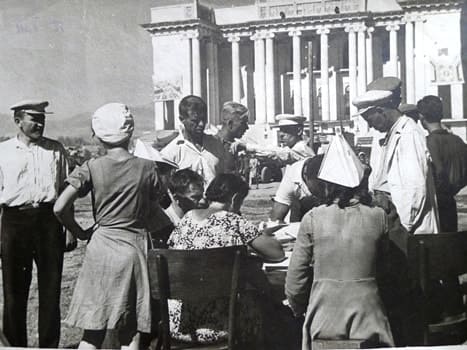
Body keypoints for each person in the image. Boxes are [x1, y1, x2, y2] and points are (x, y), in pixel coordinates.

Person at [54, 103, 159, 349]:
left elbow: (59, 207)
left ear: (98, 135)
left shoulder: (91, 167)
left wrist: (80, 232)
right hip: (132, 249)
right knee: (131, 329)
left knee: (93, 329)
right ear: (130, 132)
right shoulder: (147, 168)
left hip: (100, 249)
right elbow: (158, 208)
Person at [285, 134, 394, 349]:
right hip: (369, 315)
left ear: (326, 185)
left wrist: (299, 308)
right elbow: (386, 270)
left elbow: (295, 280)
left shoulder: (313, 218)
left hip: (323, 316)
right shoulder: (378, 216)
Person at [167, 173, 284, 346]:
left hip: (180, 323)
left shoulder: (187, 219)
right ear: (236, 198)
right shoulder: (234, 220)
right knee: (265, 304)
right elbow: (277, 253)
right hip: (221, 324)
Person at [0, 100, 71, 347]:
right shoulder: (3, 152)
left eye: (42, 119)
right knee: (13, 292)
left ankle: (49, 346)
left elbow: (65, 190)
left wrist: (69, 227)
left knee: (51, 291)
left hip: (48, 221)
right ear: (18, 121)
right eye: (34, 118)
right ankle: (14, 345)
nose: (40, 123)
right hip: (14, 221)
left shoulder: (56, 150)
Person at [352, 77, 439, 236]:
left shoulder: (409, 134)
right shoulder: (387, 134)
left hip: (406, 227)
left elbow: (415, 189)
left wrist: (401, 228)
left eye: (370, 120)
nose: (370, 126)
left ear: (381, 111)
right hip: (391, 221)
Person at [417, 95, 467, 232]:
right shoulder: (458, 141)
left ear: (421, 117)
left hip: (432, 207)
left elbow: (435, 173)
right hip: (450, 204)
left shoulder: (426, 143)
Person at [161, 95, 225, 185]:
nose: (201, 124)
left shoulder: (217, 145)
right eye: (195, 121)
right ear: (182, 119)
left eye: (204, 119)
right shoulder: (170, 153)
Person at [269, 155, 324, 223]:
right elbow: (275, 219)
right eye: (319, 188)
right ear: (305, 176)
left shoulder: (335, 169)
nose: (322, 191)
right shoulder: (291, 176)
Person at [215, 101, 250, 175]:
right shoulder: (214, 146)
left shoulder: (232, 145)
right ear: (230, 124)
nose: (247, 127)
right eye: (243, 123)